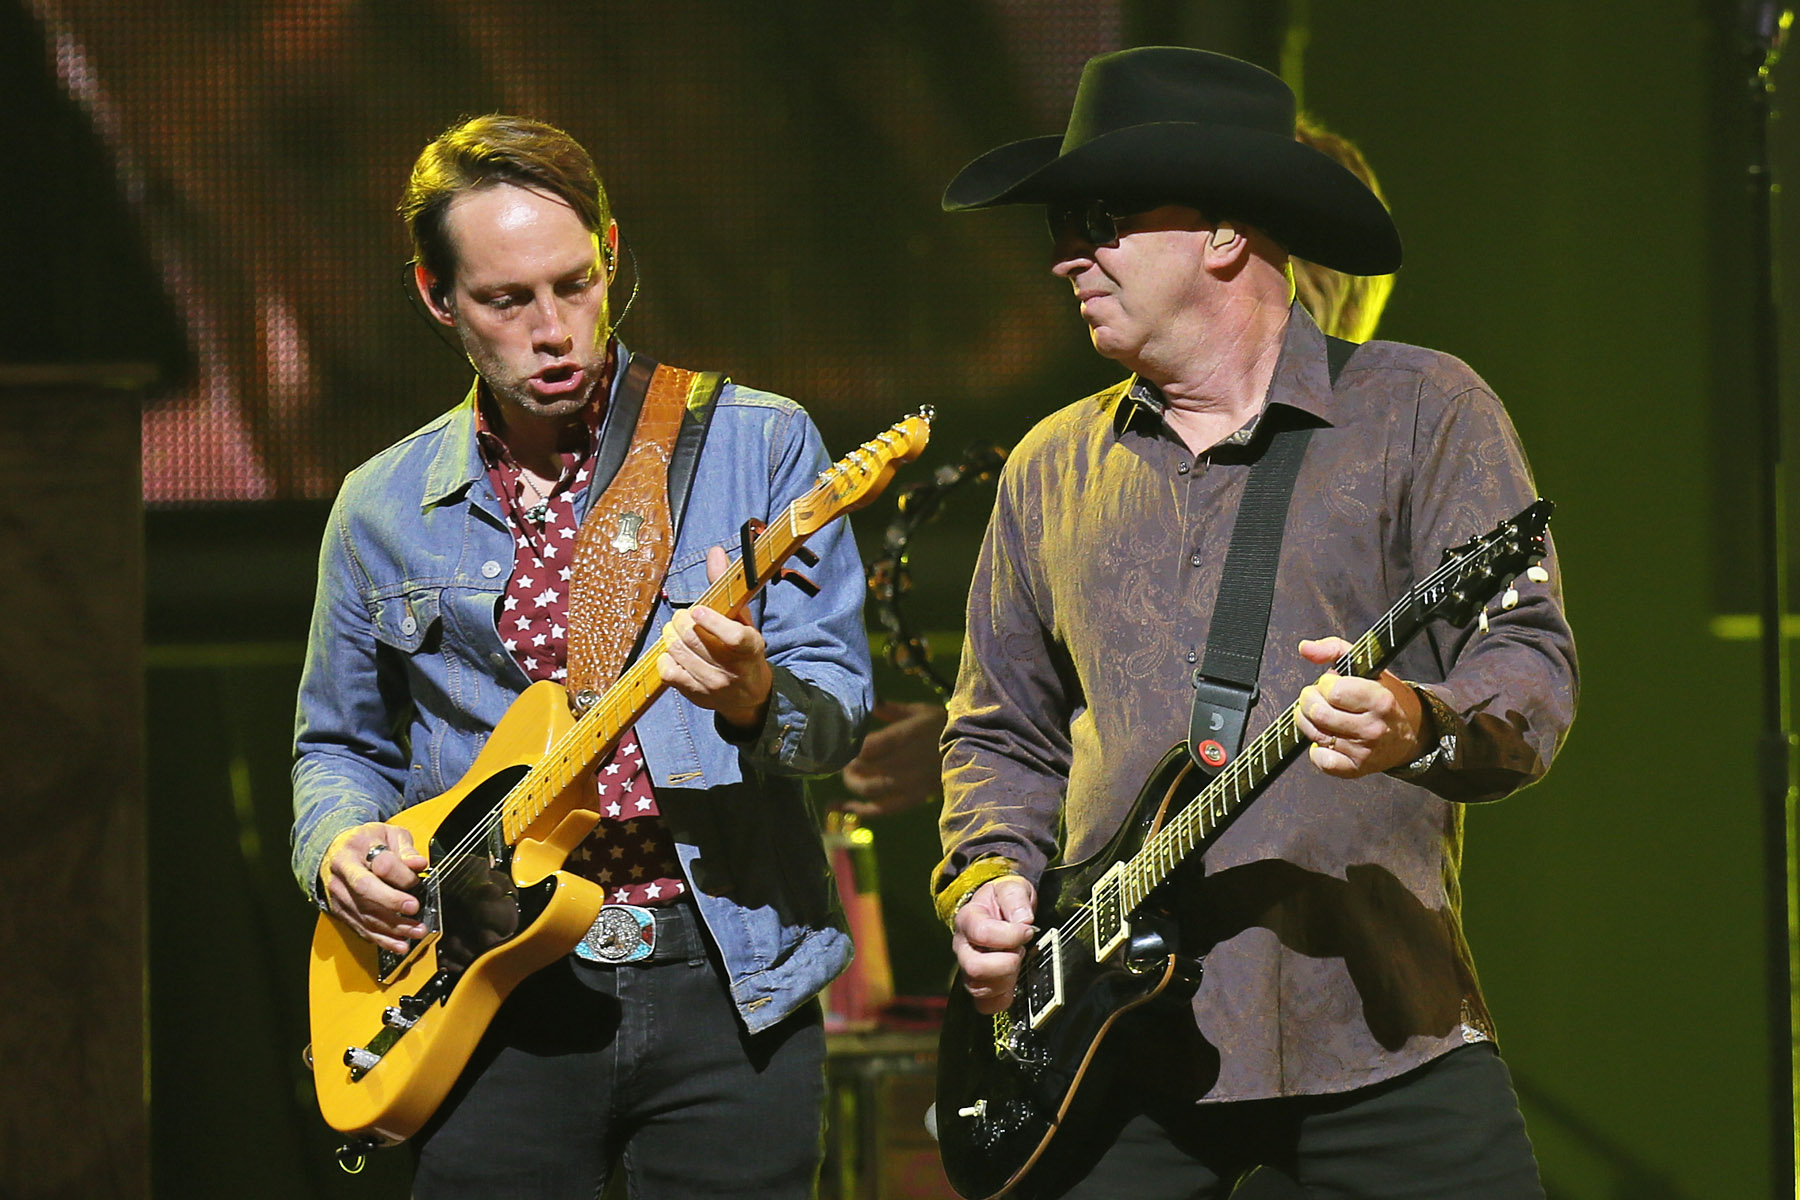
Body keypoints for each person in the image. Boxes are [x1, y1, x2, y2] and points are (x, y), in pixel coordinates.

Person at [932, 47, 1576, 1199]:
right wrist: (988, 876)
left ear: (1225, 232)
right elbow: (1000, 731)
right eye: (1061, 228)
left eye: (1100, 221)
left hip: (1372, 1025)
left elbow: (1527, 661)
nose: (1065, 254)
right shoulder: (1048, 467)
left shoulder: (1424, 410)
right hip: (1105, 1053)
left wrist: (1418, 722)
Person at [290, 114, 872, 1197]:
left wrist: (757, 697)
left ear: (610, 255)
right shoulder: (380, 507)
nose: (555, 330)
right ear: (437, 296)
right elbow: (336, 746)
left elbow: (836, 717)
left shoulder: (758, 444)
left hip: (725, 977)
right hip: (487, 987)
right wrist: (336, 847)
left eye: (575, 284)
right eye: (508, 301)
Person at [840, 113, 1398, 822]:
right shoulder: (1086, 456)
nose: (1074, 259)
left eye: (1115, 219)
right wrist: (989, 767)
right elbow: (1114, 703)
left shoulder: (1391, 439)